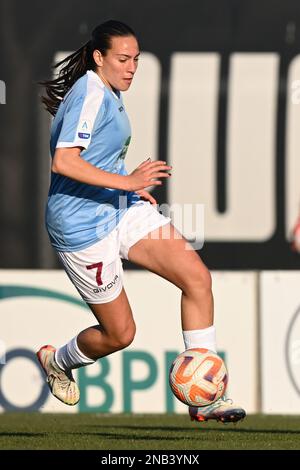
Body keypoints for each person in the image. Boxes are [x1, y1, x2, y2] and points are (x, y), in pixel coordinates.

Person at [37, 19, 246, 423]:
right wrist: (128, 180)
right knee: (120, 335)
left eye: (136, 59)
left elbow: (96, 157)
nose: (131, 67)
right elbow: (64, 162)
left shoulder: (110, 90)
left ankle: (204, 397)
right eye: (122, 58)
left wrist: (128, 190)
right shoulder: (90, 94)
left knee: (197, 279)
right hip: (80, 227)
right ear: (98, 58)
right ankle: (58, 361)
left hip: (118, 208)